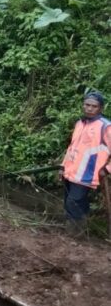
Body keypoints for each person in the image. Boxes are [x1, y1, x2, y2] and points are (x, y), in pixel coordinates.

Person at [58, 91, 111, 235]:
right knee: (70, 202)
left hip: (86, 174)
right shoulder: (80, 123)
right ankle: (76, 231)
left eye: (94, 106)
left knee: (73, 202)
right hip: (71, 171)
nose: (89, 108)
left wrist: (106, 169)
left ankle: (75, 234)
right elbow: (72, 147)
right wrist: (63, 166)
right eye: (87, 105)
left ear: (100, 108)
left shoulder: (105, 126)